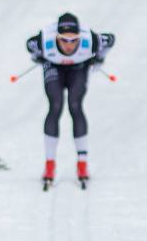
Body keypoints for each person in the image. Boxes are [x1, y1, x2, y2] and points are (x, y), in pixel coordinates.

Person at [26, 13, 115, 187]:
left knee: (75, 105)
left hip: (79, 68)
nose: (69, 45)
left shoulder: (92, 40)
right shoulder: (43, 40)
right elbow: (30, 46)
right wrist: (38, 57)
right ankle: (49, 165)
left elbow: (111, 40)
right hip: (53, 67)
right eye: (63, 40)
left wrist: (99, 58)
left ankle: (82, 164)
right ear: (56, 36)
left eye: (74, 40)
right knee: (55, 105)